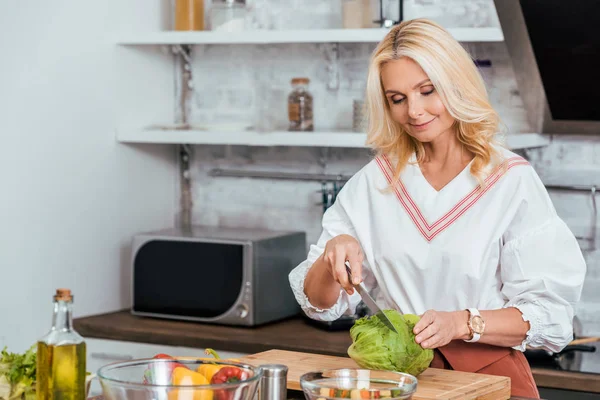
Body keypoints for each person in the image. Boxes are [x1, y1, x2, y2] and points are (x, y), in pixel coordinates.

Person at [288, 18, 586, 399]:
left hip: (490, 382)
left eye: (427, 91)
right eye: (397, 99)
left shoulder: (509, 179)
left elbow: (551, 317)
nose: (414, 111)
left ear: (455, 83)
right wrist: (332, 256)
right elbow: (319, 303)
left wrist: (462, 324)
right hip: (395, 381)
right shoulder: (374, 182)